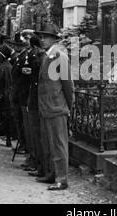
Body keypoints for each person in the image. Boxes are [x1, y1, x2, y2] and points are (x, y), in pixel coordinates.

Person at [35, 25, 74, 191]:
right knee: (49, 144)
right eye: (41, 37)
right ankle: (52, 173)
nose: (42, 39)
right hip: (47, 107)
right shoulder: (47, 55)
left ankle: (62, 178)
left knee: (59, 144)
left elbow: (68, 85)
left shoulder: (59, 55)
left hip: (57, 107)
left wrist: (69, 106)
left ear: (53, 39)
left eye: (45, 36)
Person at [25, 34, 47, 177]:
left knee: (38, 136)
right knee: (36, 135)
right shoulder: (38, 56)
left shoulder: (40, 57)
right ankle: (39, 165)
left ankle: (41, 166)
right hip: (34, 99)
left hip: (38, 101)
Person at [10, 33, 31, 155]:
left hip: (21, 94)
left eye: (17, 45)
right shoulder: (19, 57)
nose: (15, 47)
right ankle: (22, 142)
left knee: (22, 121)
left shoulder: (24, 58)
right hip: (17, 93)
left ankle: (24, 144)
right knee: (18, 120)